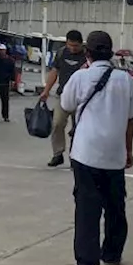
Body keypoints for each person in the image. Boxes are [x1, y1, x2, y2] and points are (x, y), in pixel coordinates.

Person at [60, 30, 133, 265]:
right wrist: (128, 150)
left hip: (85, 153)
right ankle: (112, 255)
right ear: (111, 51)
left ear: (88, 53)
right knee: (115, 205)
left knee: (87, 207)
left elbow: (66, 105)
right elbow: (129, 120)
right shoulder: (125, 80)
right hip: (113, 154)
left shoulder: (80, 77)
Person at [39, 30, 87, 168]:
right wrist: (46, 91)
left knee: (79, 129)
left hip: (82, 98)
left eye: (76, 46)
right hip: (63, 95)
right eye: (70, 45)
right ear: (66, 43)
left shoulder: (87, 55)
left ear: (81, 44)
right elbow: (54, 72)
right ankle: (58, 154)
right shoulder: (61, 53)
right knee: (57, 123)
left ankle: (75, 156)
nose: (73, 48)